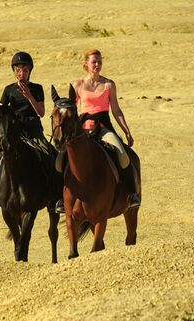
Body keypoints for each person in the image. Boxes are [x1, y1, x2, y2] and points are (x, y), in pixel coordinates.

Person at [54, 49, 140, 213]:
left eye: (100, 61)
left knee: (122, 153)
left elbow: (116, 110)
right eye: (94, 62)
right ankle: (59, 199)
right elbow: (71, 109)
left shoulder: (109, 84)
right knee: (60, 159)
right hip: (82, 129)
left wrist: (127, 131)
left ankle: (132, 194)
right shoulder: (77, 84)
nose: (98, 65)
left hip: (103, 126)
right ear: (86, 64)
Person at [0, 51, 53, 215]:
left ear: (30, 71)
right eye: (19, 70)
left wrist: (29, 96)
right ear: (14, 72)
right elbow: (1, 111)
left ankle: (54, 197)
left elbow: (41, 112)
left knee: (50, 155)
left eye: (25, 70)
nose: (22, 73)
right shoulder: (9, 90)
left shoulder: (37, 88)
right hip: (14, 132)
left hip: (34, 130)